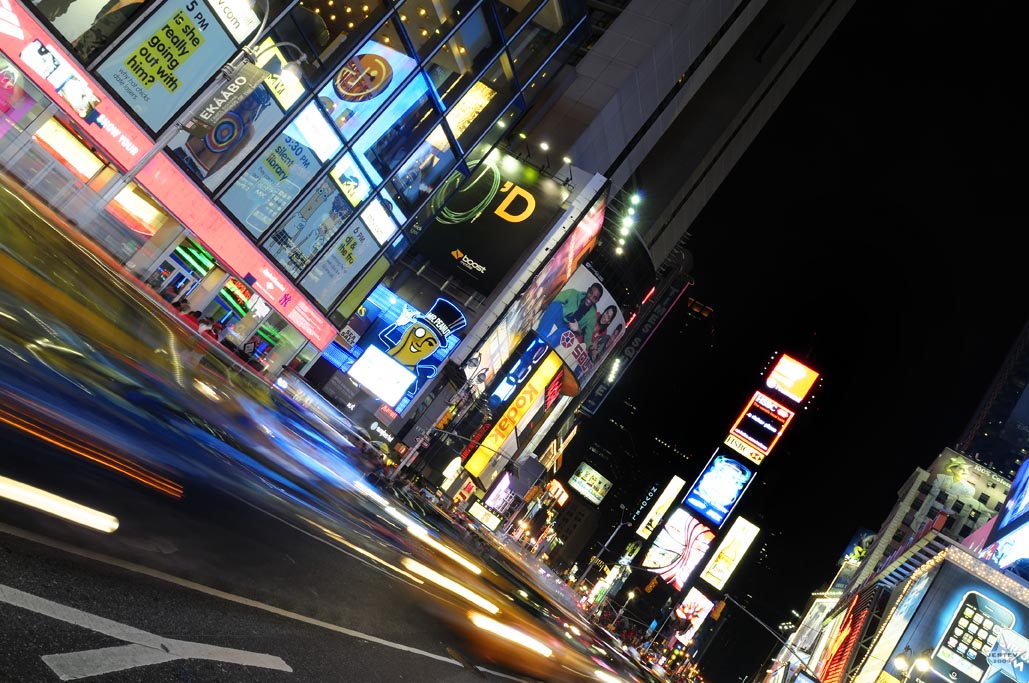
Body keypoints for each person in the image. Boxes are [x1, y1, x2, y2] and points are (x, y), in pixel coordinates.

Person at [537, 282, 604, 347]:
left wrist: (578, 329)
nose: (590, 298)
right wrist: (547, 306)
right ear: (588, 290)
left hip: (569, 331)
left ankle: (544, 348)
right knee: (556, 305)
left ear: (597, 300)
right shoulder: (573, 293)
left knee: (566, 333)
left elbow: (587, 338)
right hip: (561, 320)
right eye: (590, 293)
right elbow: (555, 299)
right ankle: (538, 336)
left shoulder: (592, 317)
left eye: (595, 298)